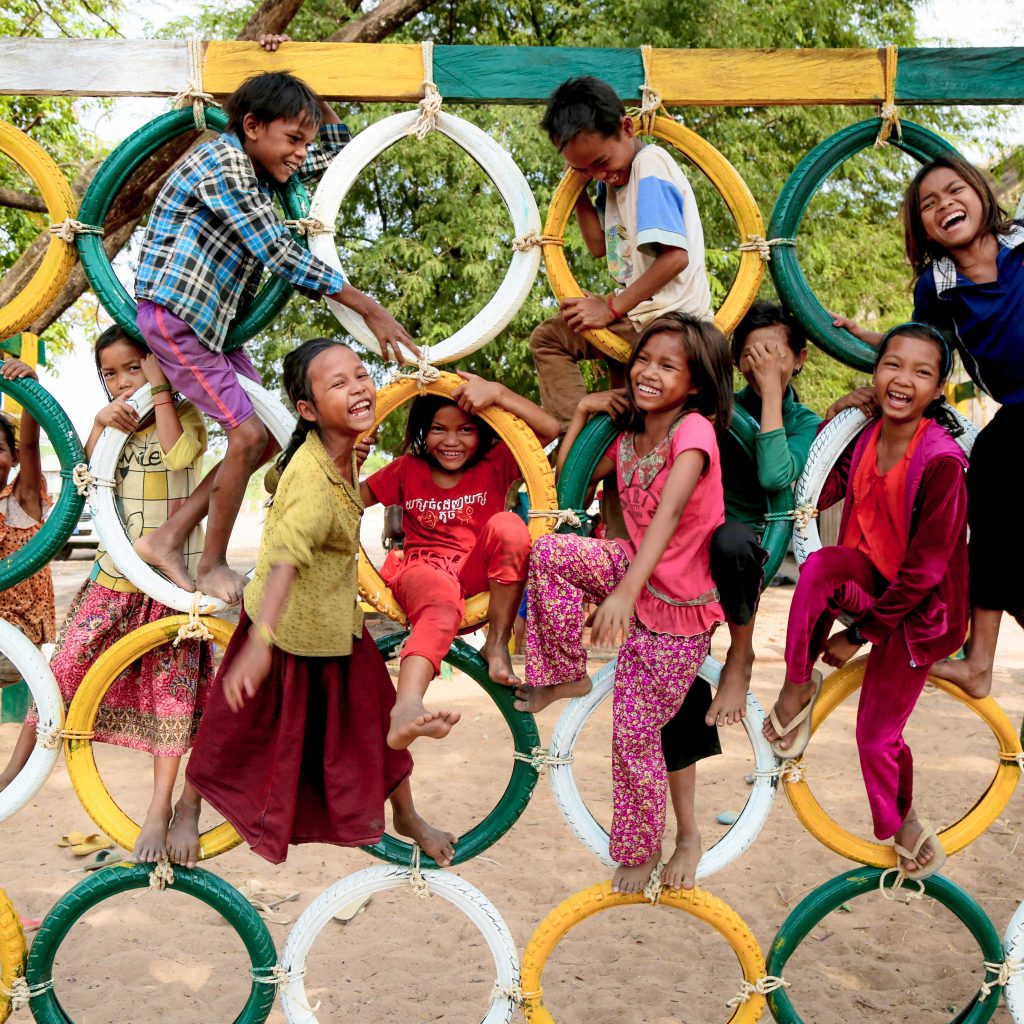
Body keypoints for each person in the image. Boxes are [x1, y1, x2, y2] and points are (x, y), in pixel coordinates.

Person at [134, 51, 416, 605]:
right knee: (247, 434)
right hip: (176, 318)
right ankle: (211, 562)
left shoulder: (266, 168)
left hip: (213, 331)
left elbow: (338, 147)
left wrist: (311, 81)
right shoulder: (225, 164)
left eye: (303, 142)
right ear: (252, 127)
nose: (300, 152)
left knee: (264, 438)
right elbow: (278, 251)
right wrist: (368, 306)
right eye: (292, 138)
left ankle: (168, 536)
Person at [185, 339, 453, 866]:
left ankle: (406, 815)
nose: (358, 388)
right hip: (279, 628)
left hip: (335, 625)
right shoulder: (313, 476)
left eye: (360, 375)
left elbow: (274, 477)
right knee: (232, 728)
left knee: (379, 718)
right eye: (339, 383)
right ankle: (185, 811)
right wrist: (260, 643)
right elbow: (286, 555)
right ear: (307, 410)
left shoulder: (337, 451)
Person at [524, 312, 731, 894]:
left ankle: (643, 849)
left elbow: (666, 518)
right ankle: (563, 673)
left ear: (693, 384)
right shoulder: (628, 437)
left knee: (635, 733)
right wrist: (585, 414)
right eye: (643, 359)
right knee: (551, 553)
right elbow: (566, 486)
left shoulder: (694, 432)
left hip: (675, 606)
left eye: (668, 366)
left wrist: (623, 594)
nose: (648, 371)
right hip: (631, 576)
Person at [764, 324, 968, 880]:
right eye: (892, 366)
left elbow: (925, 572)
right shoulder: (863, 435)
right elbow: (818, 492)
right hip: (871, 582)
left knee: (874, 736)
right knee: (822, 567)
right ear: (876, 372)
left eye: (921, 372)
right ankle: (797, 684)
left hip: (920, 615)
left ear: (938, 387)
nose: (903, 381)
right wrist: (834, 420)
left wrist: (859, 635)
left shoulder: (944, 460)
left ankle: (902, 820)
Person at [13, 327, 214, 866]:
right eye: (112, 374)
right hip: (112, 578)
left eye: (135, 368)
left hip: (169, 586)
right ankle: (15, 770)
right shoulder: (113, 429)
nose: (125, 382)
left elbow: (178, 457)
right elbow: (82, 483)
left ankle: (158, 808)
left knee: (170, 700)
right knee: (60, 672)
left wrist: (161, 391)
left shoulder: (185, 417)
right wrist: (100, 423)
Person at [833, 156, 1023, 699]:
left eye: (955, 191)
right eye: (929, 204)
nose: (945, 205)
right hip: (1017, 413)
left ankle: (979, 663)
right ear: (923, 227)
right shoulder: (938, 287)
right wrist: (877, 351)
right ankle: (978, 662)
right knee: (986, 501)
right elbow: (922, 346)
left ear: (983, 195)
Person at [658, 300, 821, 888]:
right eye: (750, 354)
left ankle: (742, 654)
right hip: (683, 556)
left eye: (775, 353)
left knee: (729, 538)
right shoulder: (711, 408)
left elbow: (779, 477)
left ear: (798, 359)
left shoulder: (805, 424)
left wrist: (773, 396)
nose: (761, 364)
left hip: (744, 552)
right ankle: (687, 831)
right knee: (673, 689)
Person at [361, 373, 558, 749]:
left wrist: (498, 392)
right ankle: (406, 707)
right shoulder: (406, 469)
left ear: (484, 430)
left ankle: (497, 644)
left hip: (474, 574)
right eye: (438, 429)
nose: (451, 441)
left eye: (465, 430)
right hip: (423, 570)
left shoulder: (496, 463)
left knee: (510, 526)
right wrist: (351, 456)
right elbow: (349, 498)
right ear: (423, 431)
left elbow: (548, 429)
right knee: (438, 606)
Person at [530, 75, 712, 435]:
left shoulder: (650, 165)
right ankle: (591, 446)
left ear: (626, 127)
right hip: (641, 318)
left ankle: (575, 437)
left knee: (549, 339)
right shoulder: (613, 180)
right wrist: (578, 189)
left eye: (600, 161)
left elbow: (675, 257)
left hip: (672, 321)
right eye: (583, 169)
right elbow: (600, 246)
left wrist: (612, 308)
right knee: (626, 425)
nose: (600, 174)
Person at [0, 358, 57, 788]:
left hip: (18, 637)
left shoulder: (21, 500)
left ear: (13, 457)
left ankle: (11, 778)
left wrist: (30, 392)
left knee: (47, 698)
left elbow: (34, 447)